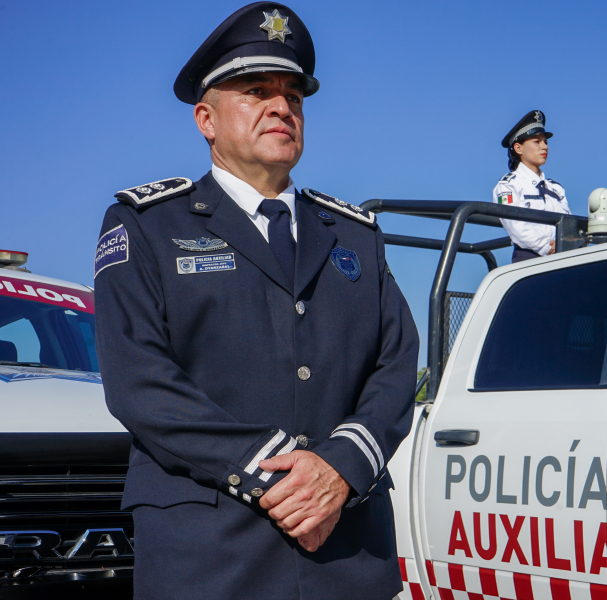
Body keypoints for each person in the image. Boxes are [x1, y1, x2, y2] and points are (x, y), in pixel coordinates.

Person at [92, 3, 418, 599]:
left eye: (293, 95)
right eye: (256, 90)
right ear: (206, 119)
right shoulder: (145, 226)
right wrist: (276, 474)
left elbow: (396, 365)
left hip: (345, 551)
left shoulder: (355, 236)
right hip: (209, 556)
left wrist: (341, 468)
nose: (281, 106)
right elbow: (139, 380)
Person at [492, 110, 572, 262]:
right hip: (529, 260)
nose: (544, 147)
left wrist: (565, 244)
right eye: (537, 142)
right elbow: (516, 227)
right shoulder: (508, 186)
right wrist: (548, 248)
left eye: (545, 142)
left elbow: (569, 225)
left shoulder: (556, 189)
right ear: (518, 148)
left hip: (562, 260)